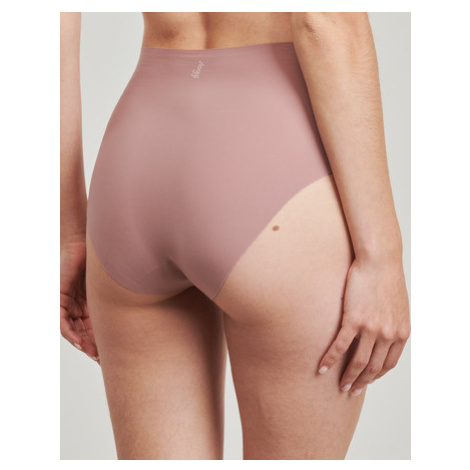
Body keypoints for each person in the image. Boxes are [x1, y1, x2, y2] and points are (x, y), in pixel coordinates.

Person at [60, 12, 410, 460]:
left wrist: (72, 230)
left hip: (136, 152)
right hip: (273, 150)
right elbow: (326, 19)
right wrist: (382, 255)